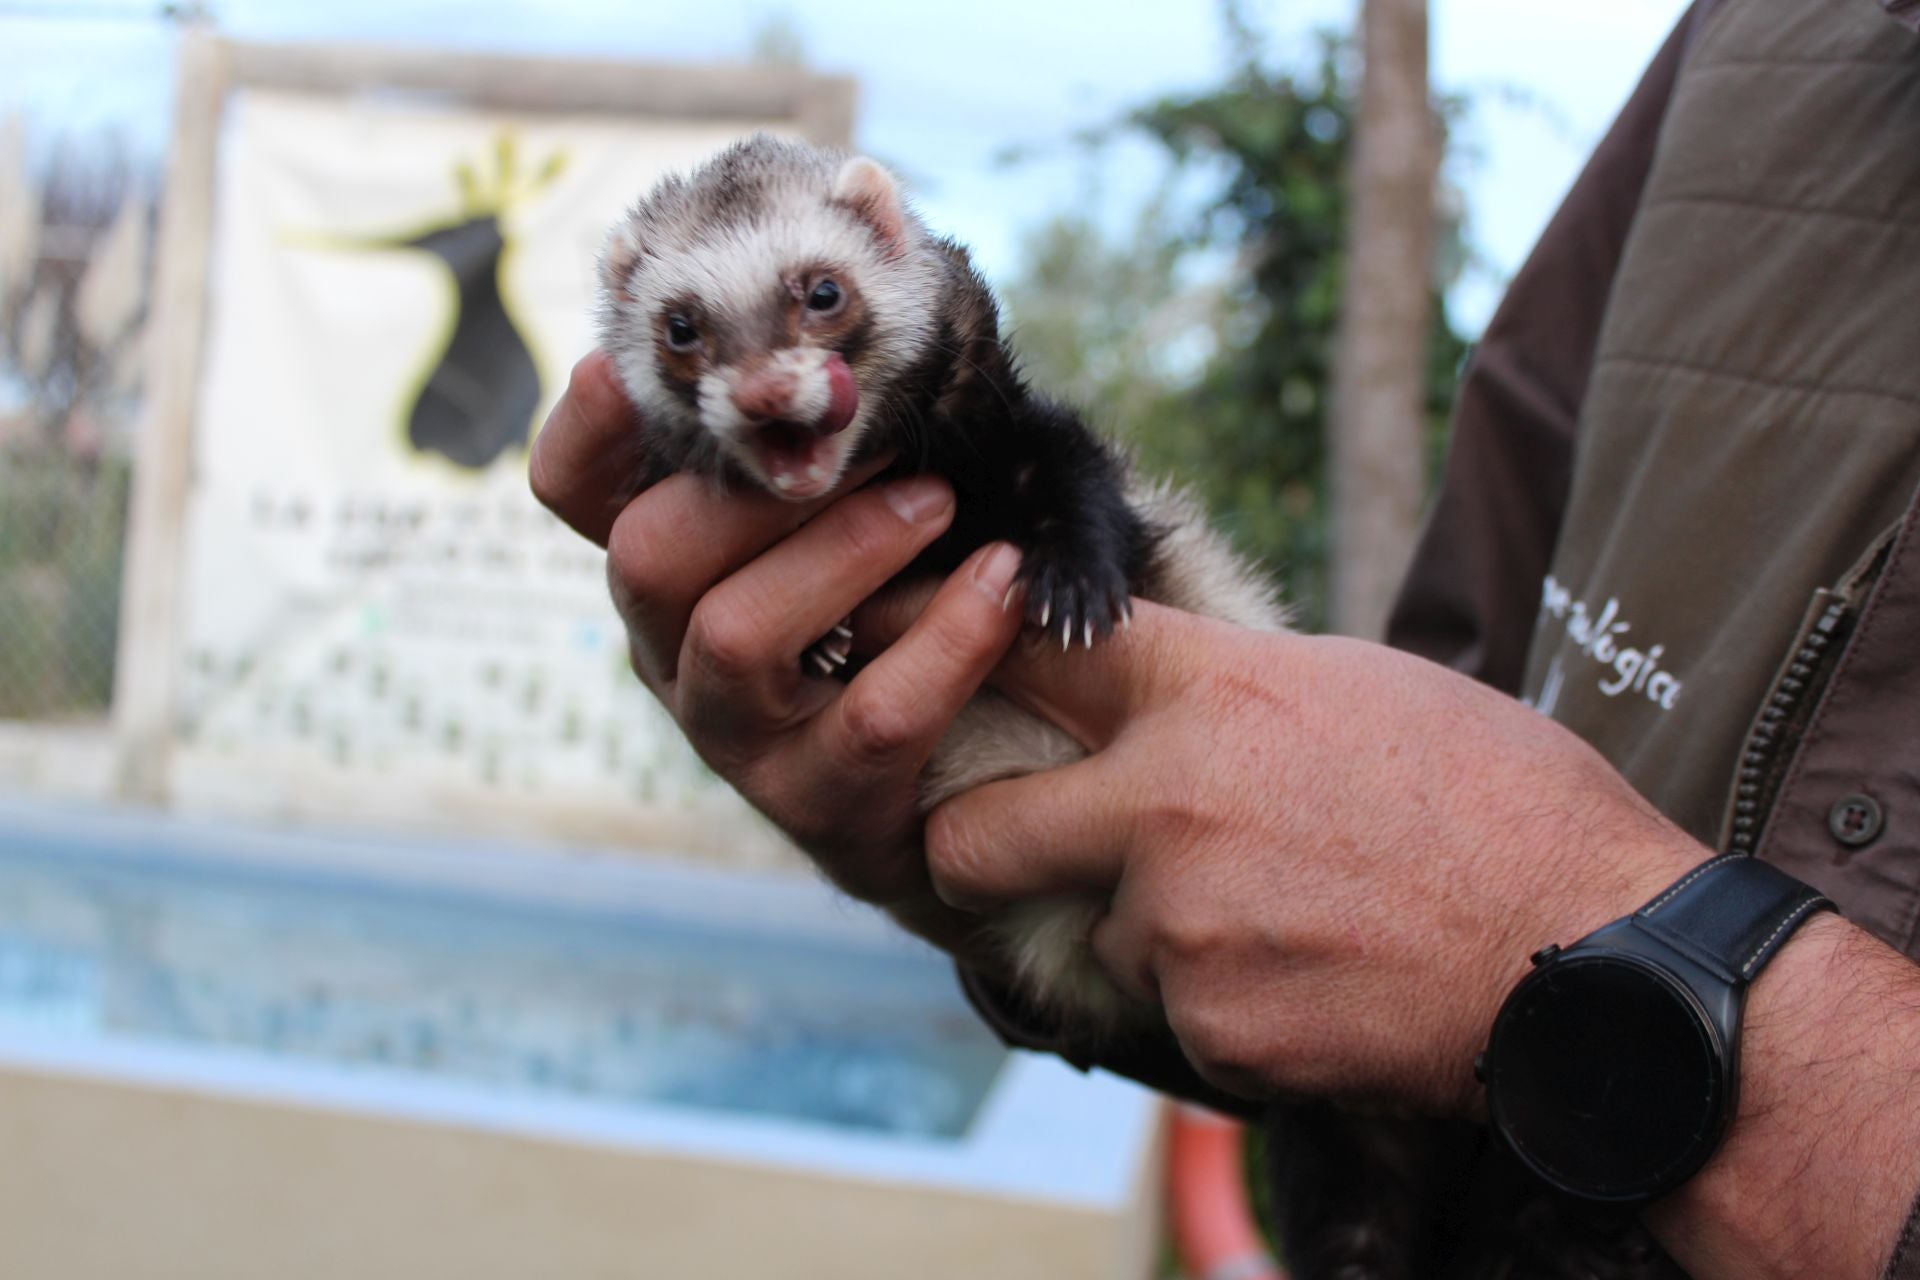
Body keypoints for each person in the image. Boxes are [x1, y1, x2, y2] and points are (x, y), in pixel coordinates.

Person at [531, 0, 1920, 1273]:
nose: (771, 370)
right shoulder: (1751, 37)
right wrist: (987, 888)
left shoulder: (1006, 444)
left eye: (818, 301)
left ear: (887, 247)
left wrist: (1589, 966)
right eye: (691, 338)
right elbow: (1438, 693)